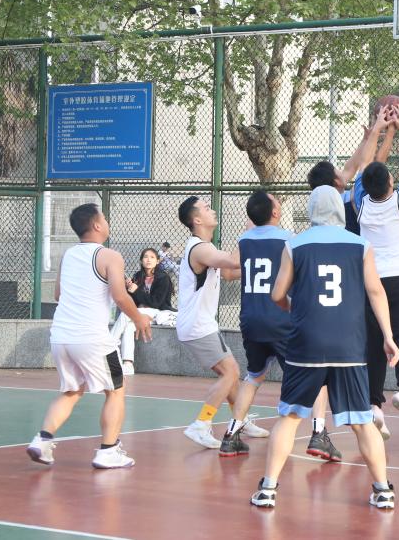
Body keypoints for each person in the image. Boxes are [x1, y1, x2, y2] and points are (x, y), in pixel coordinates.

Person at [251, 186, 399, 509]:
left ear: (311, 210)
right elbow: (376, 291)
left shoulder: (295, 244)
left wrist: (295, 308)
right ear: (338, 210)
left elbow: (277, 294)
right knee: (362, 421)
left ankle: (268, 489)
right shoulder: (361, 245)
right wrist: (388, 336)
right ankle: (383, 490)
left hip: (306, 344)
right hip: (349, 346)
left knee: (290, 417)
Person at [26, 204, 152, 468]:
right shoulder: (109, 256)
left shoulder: (69, 255)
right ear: (96, 225)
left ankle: (42, 440)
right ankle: (108, 451)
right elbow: (120, 296)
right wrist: (139, 317)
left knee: (72, 391)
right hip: (92, 338)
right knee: (116, 390)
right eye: (103, 217)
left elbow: (58, 294)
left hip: (61, 336)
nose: (106, 221)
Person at [219, 191, 338, 461]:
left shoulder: (244, 240)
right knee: (318, 374)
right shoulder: (289, 239)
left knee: (254, 376)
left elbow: (230, 269)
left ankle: (231, 434)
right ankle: (319, 433)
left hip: (251, 320)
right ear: (275, 212)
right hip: (282, 319)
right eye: (277, 201)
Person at [352, 103, 399, 438]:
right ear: (392, 182)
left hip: (370, 283)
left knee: (375, 342)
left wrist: (380, 129)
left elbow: (365, 165)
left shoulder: (361, 204)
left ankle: (373, 405)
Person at [176, 196, 267, 451]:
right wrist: (248, 234)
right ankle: (201, 424)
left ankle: (241, 421)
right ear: (197, 220)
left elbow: (228, 273)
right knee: (231, 373)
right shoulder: (199, 249)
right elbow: (233, 261)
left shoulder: (206, 247)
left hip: (201, 324)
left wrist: (268, 268)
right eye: (206, 208)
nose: (212, 210)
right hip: (197, 325)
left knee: (231, 375)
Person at [110, 248, 176, 376]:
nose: (148, 260)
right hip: (140, 313)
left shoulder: (163, 278)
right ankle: (128, 364)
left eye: (152, 257)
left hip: (157, 312)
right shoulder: (138, 276)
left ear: (157, 261)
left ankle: (109, 343)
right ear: (141, 260)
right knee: (129, 327)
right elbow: (133, 302)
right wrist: (129, 289)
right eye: (145, 257)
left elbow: (156, 303)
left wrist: (136, 291)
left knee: (126, 315)